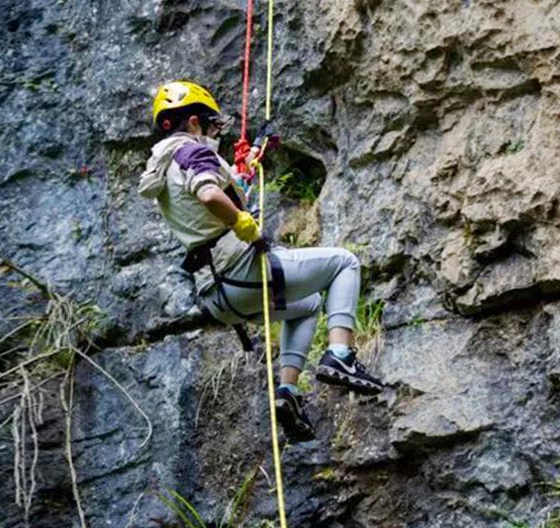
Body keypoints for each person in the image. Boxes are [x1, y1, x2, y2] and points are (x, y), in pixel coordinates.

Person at [138, 81, 383, 442]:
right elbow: (208, 193)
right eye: (210, 127)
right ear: (193, 123)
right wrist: (242, 224)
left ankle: (288, 394)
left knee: (308, 305)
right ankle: (340, 353)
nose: (214, 136)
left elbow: (216, 190)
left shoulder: (166, 164)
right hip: (242, 270)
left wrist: (250, 160)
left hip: (217, 296)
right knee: (343, 262)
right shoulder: (191, 151)